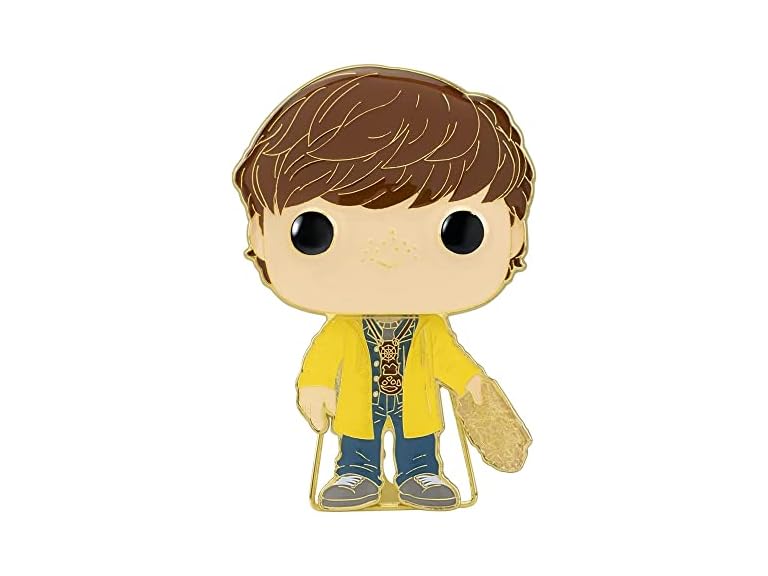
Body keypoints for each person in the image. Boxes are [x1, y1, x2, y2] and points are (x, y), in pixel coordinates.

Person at [232, 65, 534, 510]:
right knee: (359, 440)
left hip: (416, 405)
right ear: (259, 234)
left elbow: (448, 357)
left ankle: (421, 473)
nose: (388, 255)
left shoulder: (429, 327)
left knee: (418, 440)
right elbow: (323, 358)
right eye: (314, 231)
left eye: (459, 232)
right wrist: (314, 386)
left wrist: (470, 383)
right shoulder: (343, 328)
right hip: (359, 404)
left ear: (515, 235)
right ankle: (357, 473)